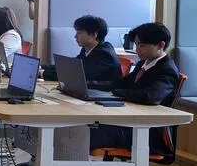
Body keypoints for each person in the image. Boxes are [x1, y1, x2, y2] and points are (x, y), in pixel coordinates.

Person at [90, 22, 181, 152]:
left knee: (88, 131)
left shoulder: (166, 70)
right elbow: (121, 82)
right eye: (137, 44)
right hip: (131, 122)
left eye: (142, 45)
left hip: (146, 131)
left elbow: (150, 96)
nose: (137, 49)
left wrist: (116, 93)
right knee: (84, 127)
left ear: (161, 45)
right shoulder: (144, 63)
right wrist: (91, 85)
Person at [72, 14, 123, 87]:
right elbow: (73, 66)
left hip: (104, 94)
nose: (75, 36)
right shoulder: (86, 49)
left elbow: (82, 74)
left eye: (79, 33)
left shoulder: (105, 54)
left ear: (93, 34)